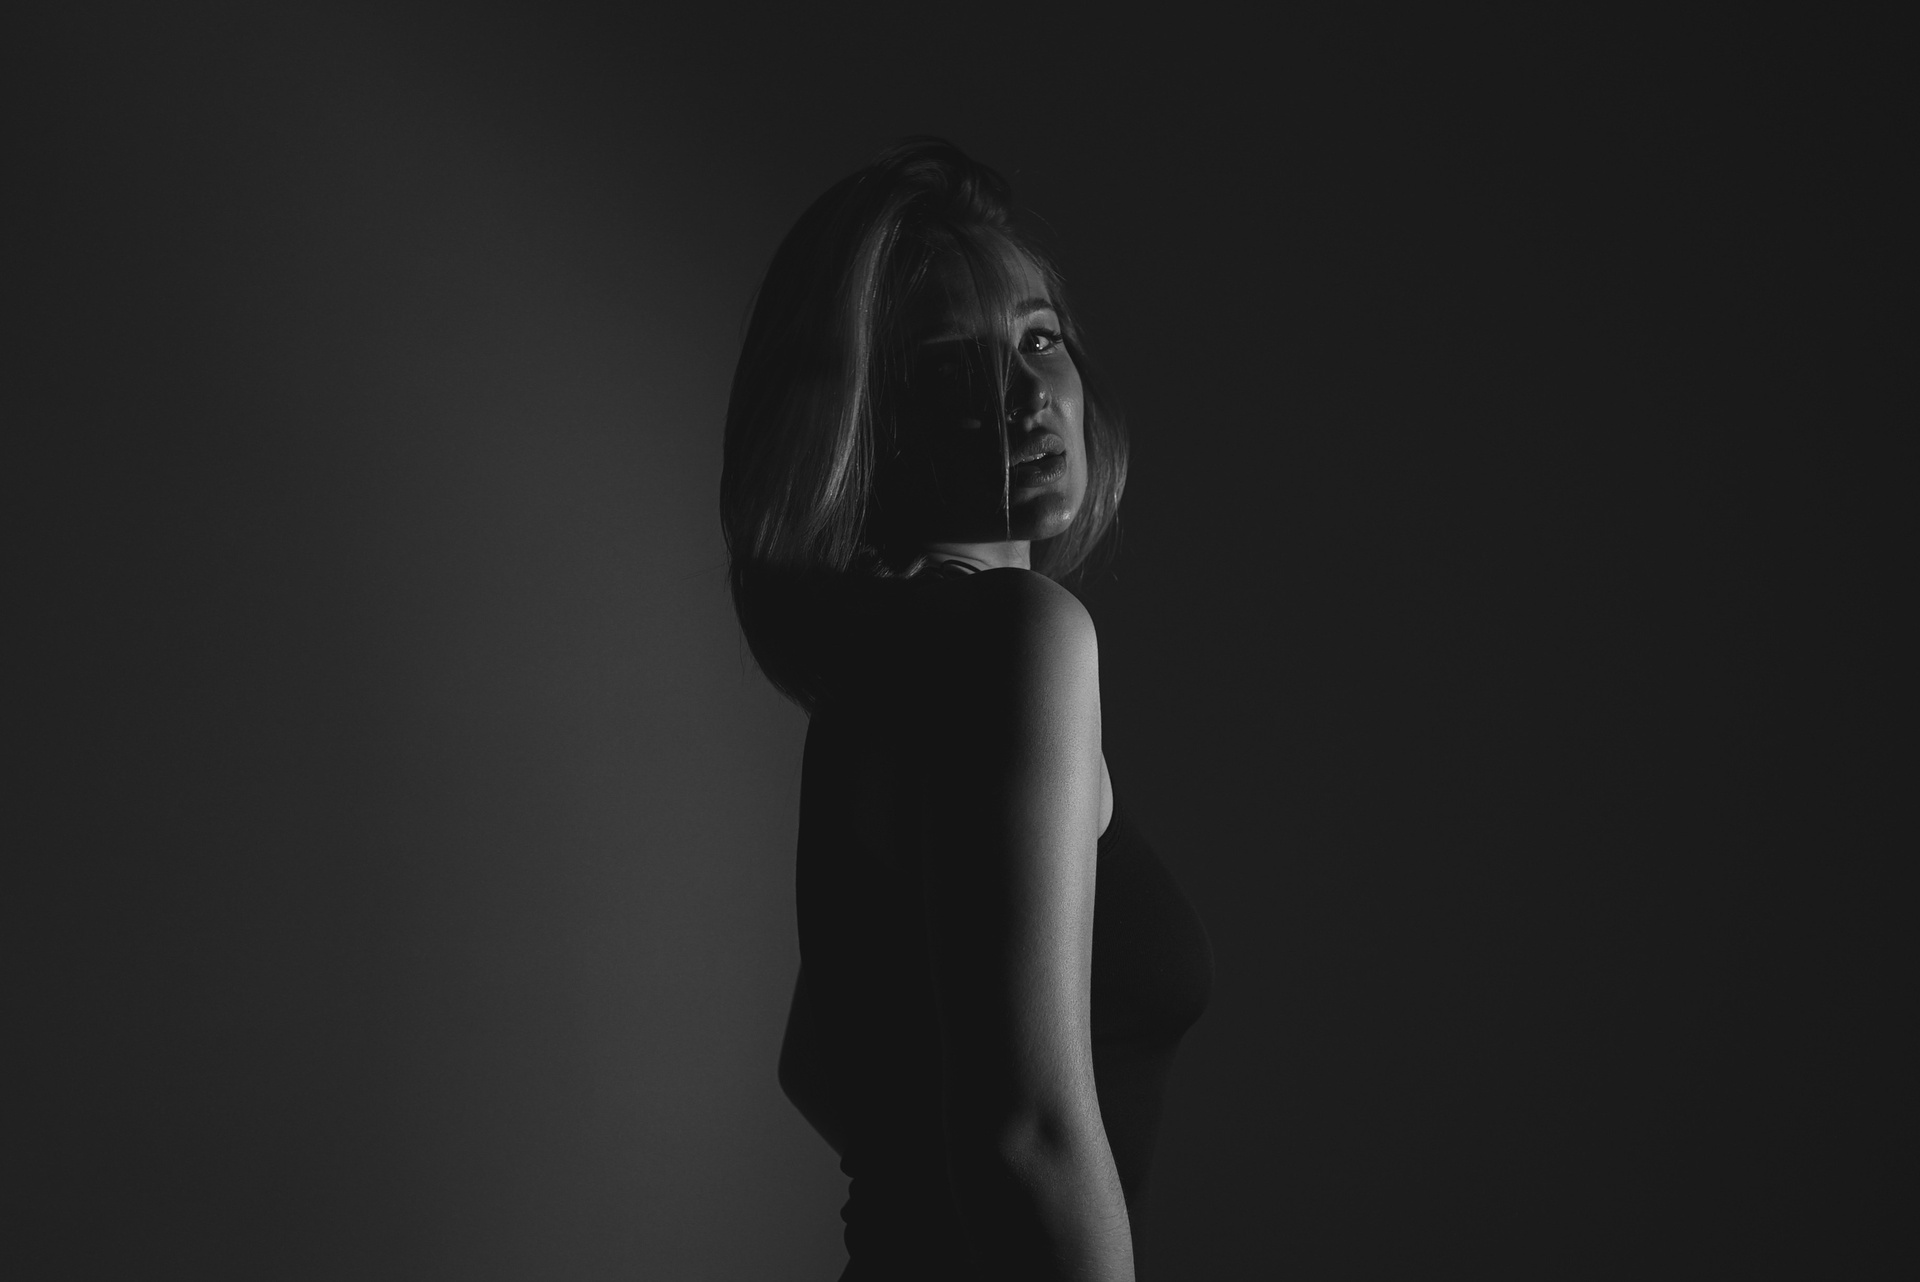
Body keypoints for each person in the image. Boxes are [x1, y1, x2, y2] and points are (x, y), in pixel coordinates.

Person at [721, 138, 1211, 1281]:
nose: (1027, 396)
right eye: (952, 364)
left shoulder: (880, 671)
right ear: (866, 421)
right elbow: (1028, 1134)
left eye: (1039, 338)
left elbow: (818, 1064)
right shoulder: (1017, 637)